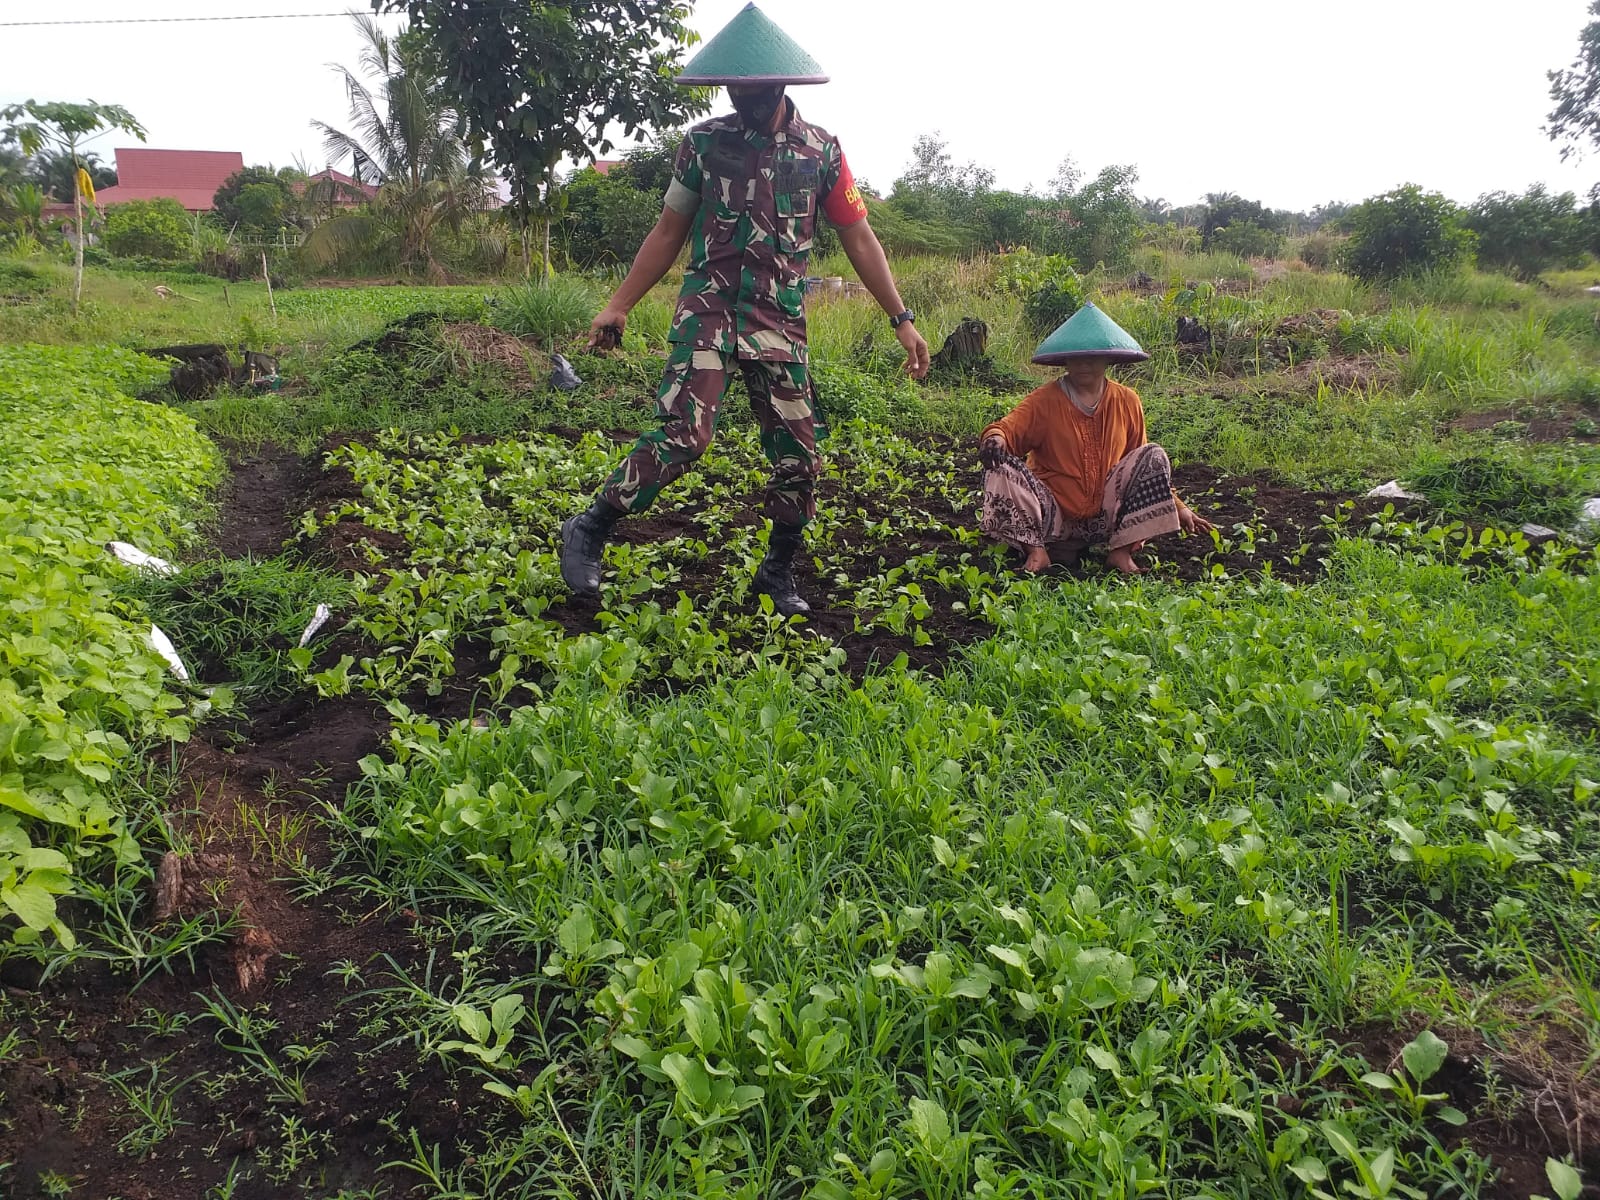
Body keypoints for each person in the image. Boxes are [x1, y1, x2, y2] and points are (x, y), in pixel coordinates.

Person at [559, 2, 930, 615]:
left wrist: (902, 318)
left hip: (778, 321)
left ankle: (777, 575)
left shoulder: (823, 153)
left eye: (753, 89)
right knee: (686, 434)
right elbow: (668, 229)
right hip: (708, 313)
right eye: (733, 87)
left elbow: (859, 237)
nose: (742, 98)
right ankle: (592, 525)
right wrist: (619, 304)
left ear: (780, 84)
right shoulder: (703, 144)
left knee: (799, 456)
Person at [978, 303, 1212, 574]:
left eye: (1092, 356)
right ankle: (1037, 552)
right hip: (1053, 517)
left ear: (1108, 359)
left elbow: (1141, 464)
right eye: (1076, 357)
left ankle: (1121, 552)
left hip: (1105, 518)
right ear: (1064, 360)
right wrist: (995, 439)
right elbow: (1006, 429)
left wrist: (1179, 507)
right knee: (1000, 466)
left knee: (1154, 453)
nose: (1083, 364)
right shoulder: (1044, 401)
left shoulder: (1127, 400)